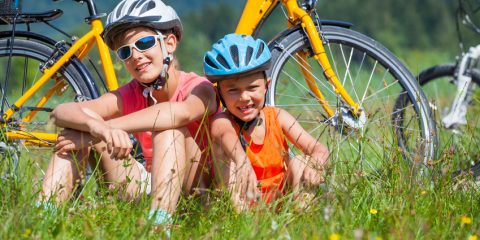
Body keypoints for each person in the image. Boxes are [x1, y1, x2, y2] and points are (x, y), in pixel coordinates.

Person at [39, 0, 218, 228]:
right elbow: (62, 111)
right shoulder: (133, 92)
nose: (136, 55)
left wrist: (109, 128)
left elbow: (174, 113)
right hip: (151, 186)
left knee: (169, 130)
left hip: (199, 189)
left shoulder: (199, 87)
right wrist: (98, 129)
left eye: (144, 43)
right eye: (126, 51)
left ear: (170, 43)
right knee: (75, 130)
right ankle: (44, 217)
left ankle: (158, 226)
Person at [204, 33, 329, 210]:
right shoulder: (221, 122)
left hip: (283, 203)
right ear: (220, 95)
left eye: (252, 87)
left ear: (267, 85)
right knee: (230, 166)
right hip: (241, 203)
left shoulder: (278, 117)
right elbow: (225, 134)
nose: (244, 97)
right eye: (233, 90)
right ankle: (241, 223)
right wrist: (241, 160)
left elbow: (319, 149)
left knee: (301, 162)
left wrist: (315, 163)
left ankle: (302, 215)